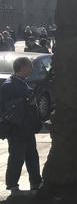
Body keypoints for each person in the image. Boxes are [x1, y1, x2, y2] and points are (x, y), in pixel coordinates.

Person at [0, 57, 42, 192]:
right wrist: (24, 102)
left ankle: (35, 182)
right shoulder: (9, 85)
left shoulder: (22, 82)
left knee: (32, 157)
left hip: (26, 126)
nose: (32, 69)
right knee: (16, 157)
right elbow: (5, 108)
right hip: (17, 128)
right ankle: (12, 184)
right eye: (29, 66)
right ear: (22, 67)